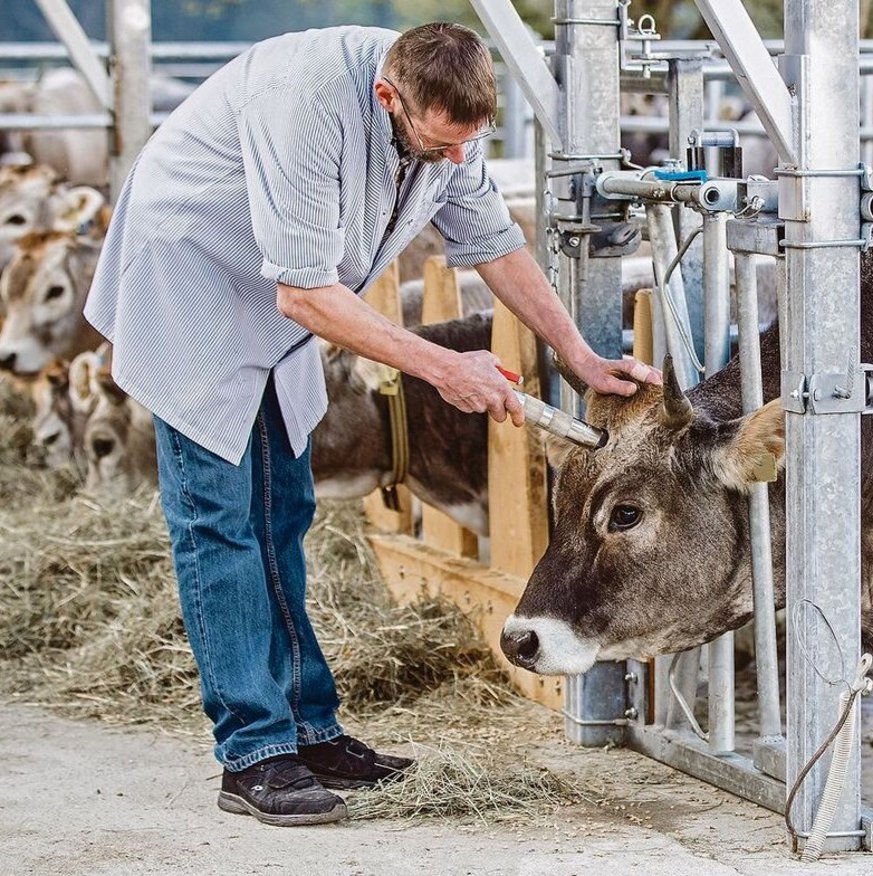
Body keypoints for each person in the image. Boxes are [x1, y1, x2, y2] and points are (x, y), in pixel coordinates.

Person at [85, 22, 659, 826]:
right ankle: (253, 752)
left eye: (471, 143)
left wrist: (580, 356)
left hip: (275, 298)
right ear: (389, 99)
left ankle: (309, 731)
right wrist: (443, 368)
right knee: (219, 523)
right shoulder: (305, 106)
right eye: (439, 145)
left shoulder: (442, 111)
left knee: (283, 510)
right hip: (192, 278)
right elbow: (305, 294)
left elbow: (493, 242)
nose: (457, 162)